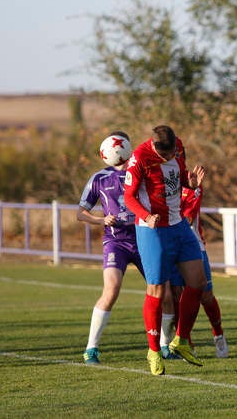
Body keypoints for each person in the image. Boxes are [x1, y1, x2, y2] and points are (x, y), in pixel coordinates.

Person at [124, 125, 207, 375]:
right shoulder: (139, 158)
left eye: (173, 153)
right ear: (155, 147)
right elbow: (129, 197)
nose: (171, 157)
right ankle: (154, 351)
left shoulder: (177, 146)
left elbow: (178, 176)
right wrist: (146, 216)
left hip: (178, 224)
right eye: (166, 155)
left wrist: (189, 183)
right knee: (158, 290)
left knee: (198, 282)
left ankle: (181, 340)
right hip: (153, 229)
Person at [77, 131, 144, 364]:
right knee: (111, 290)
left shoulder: (141, 174)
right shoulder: (99, 178)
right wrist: (101, 220)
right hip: (116, 242)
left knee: (164, 290)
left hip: (145, 239)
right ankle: (91, 348)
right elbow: (81, 213)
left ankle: (165, 345)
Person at [167, 165, 229, 358]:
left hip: (194, 247)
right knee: (176, 296)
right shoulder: (160, 186)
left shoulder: (192, 186)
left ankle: (218, 334)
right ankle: (186, 342)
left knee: (206, 296)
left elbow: (187, 218)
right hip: (170, 247)